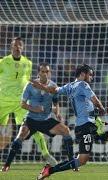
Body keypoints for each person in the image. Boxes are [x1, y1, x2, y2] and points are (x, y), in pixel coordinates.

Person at [33, 64, 106, 180]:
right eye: (90, 74)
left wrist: (43, 87)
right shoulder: (83, 84)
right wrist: (102, 108)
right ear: (83, 74)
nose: (91, 77)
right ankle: (50, 170)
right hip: (86, 125)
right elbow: (95, 99)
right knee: (82, 160)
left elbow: (55, 90)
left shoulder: (69, 86)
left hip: (89, 124)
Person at [2, 62, 74, 170]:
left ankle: (72, 164)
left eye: (47, 72)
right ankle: (6, 165)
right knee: (20, 135)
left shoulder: (53, 86)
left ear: (49, 73)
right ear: (38, 73)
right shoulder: (30, 86)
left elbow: (55, 102)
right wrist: (34, 109)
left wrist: (57, 113)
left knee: (66, 131)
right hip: (31, 119)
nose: (45, 74)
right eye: (42, 71)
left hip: (46, 120)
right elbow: (22, 104)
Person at [0, 37, 56, 172]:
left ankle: (46, 154)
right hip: (3, 101)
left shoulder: (28, 63)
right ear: (11, 47)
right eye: (15, 45)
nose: (17, 47)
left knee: (34, 127)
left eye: (20, 45)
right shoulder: (3, 62)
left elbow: (29, 82)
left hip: (21, 103)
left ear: (23, 47)